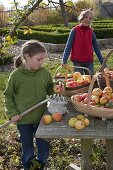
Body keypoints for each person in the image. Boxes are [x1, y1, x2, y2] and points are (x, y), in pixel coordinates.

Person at [4, 40, 63, 170]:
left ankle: (39, 166)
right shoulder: (16, 76)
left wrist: (55, 88)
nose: (42, 62)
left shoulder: (44, 72)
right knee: (28, 152)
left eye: (43, 59)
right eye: (39, 59)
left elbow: (49, 88)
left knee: (44, 152)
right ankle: (28, 167)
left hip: (42, 119)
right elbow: (7, 95)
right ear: (27, 56)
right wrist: (12, 113)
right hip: (23, 120)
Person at [62, 9, 104, 75]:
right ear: (81, 18)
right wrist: (64, 60)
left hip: (88, 61)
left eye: (90, 18)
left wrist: (103, 63)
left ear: (91, 21)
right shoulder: (74, 31)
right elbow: (68, 46)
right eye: (86, 17)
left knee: (90, 80)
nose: (87, 19)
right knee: (79, 80)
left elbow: (97, 49)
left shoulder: (91, 33)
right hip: (77, 61)